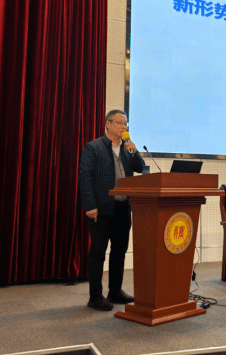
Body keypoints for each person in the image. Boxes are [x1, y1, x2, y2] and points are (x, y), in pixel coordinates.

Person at [78, 109, 145, 311]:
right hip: (101, 208)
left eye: (125, 124)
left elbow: (141, 168)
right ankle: (95, 296)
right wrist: (90, 205)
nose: (124, 127)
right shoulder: (94, 147)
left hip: (123, 208)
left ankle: (115, 291)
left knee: (119, 252)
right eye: (120, 123)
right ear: (108, 124)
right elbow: (85, 177)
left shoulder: (127, 148)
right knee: (98, 252)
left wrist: (134, 151)